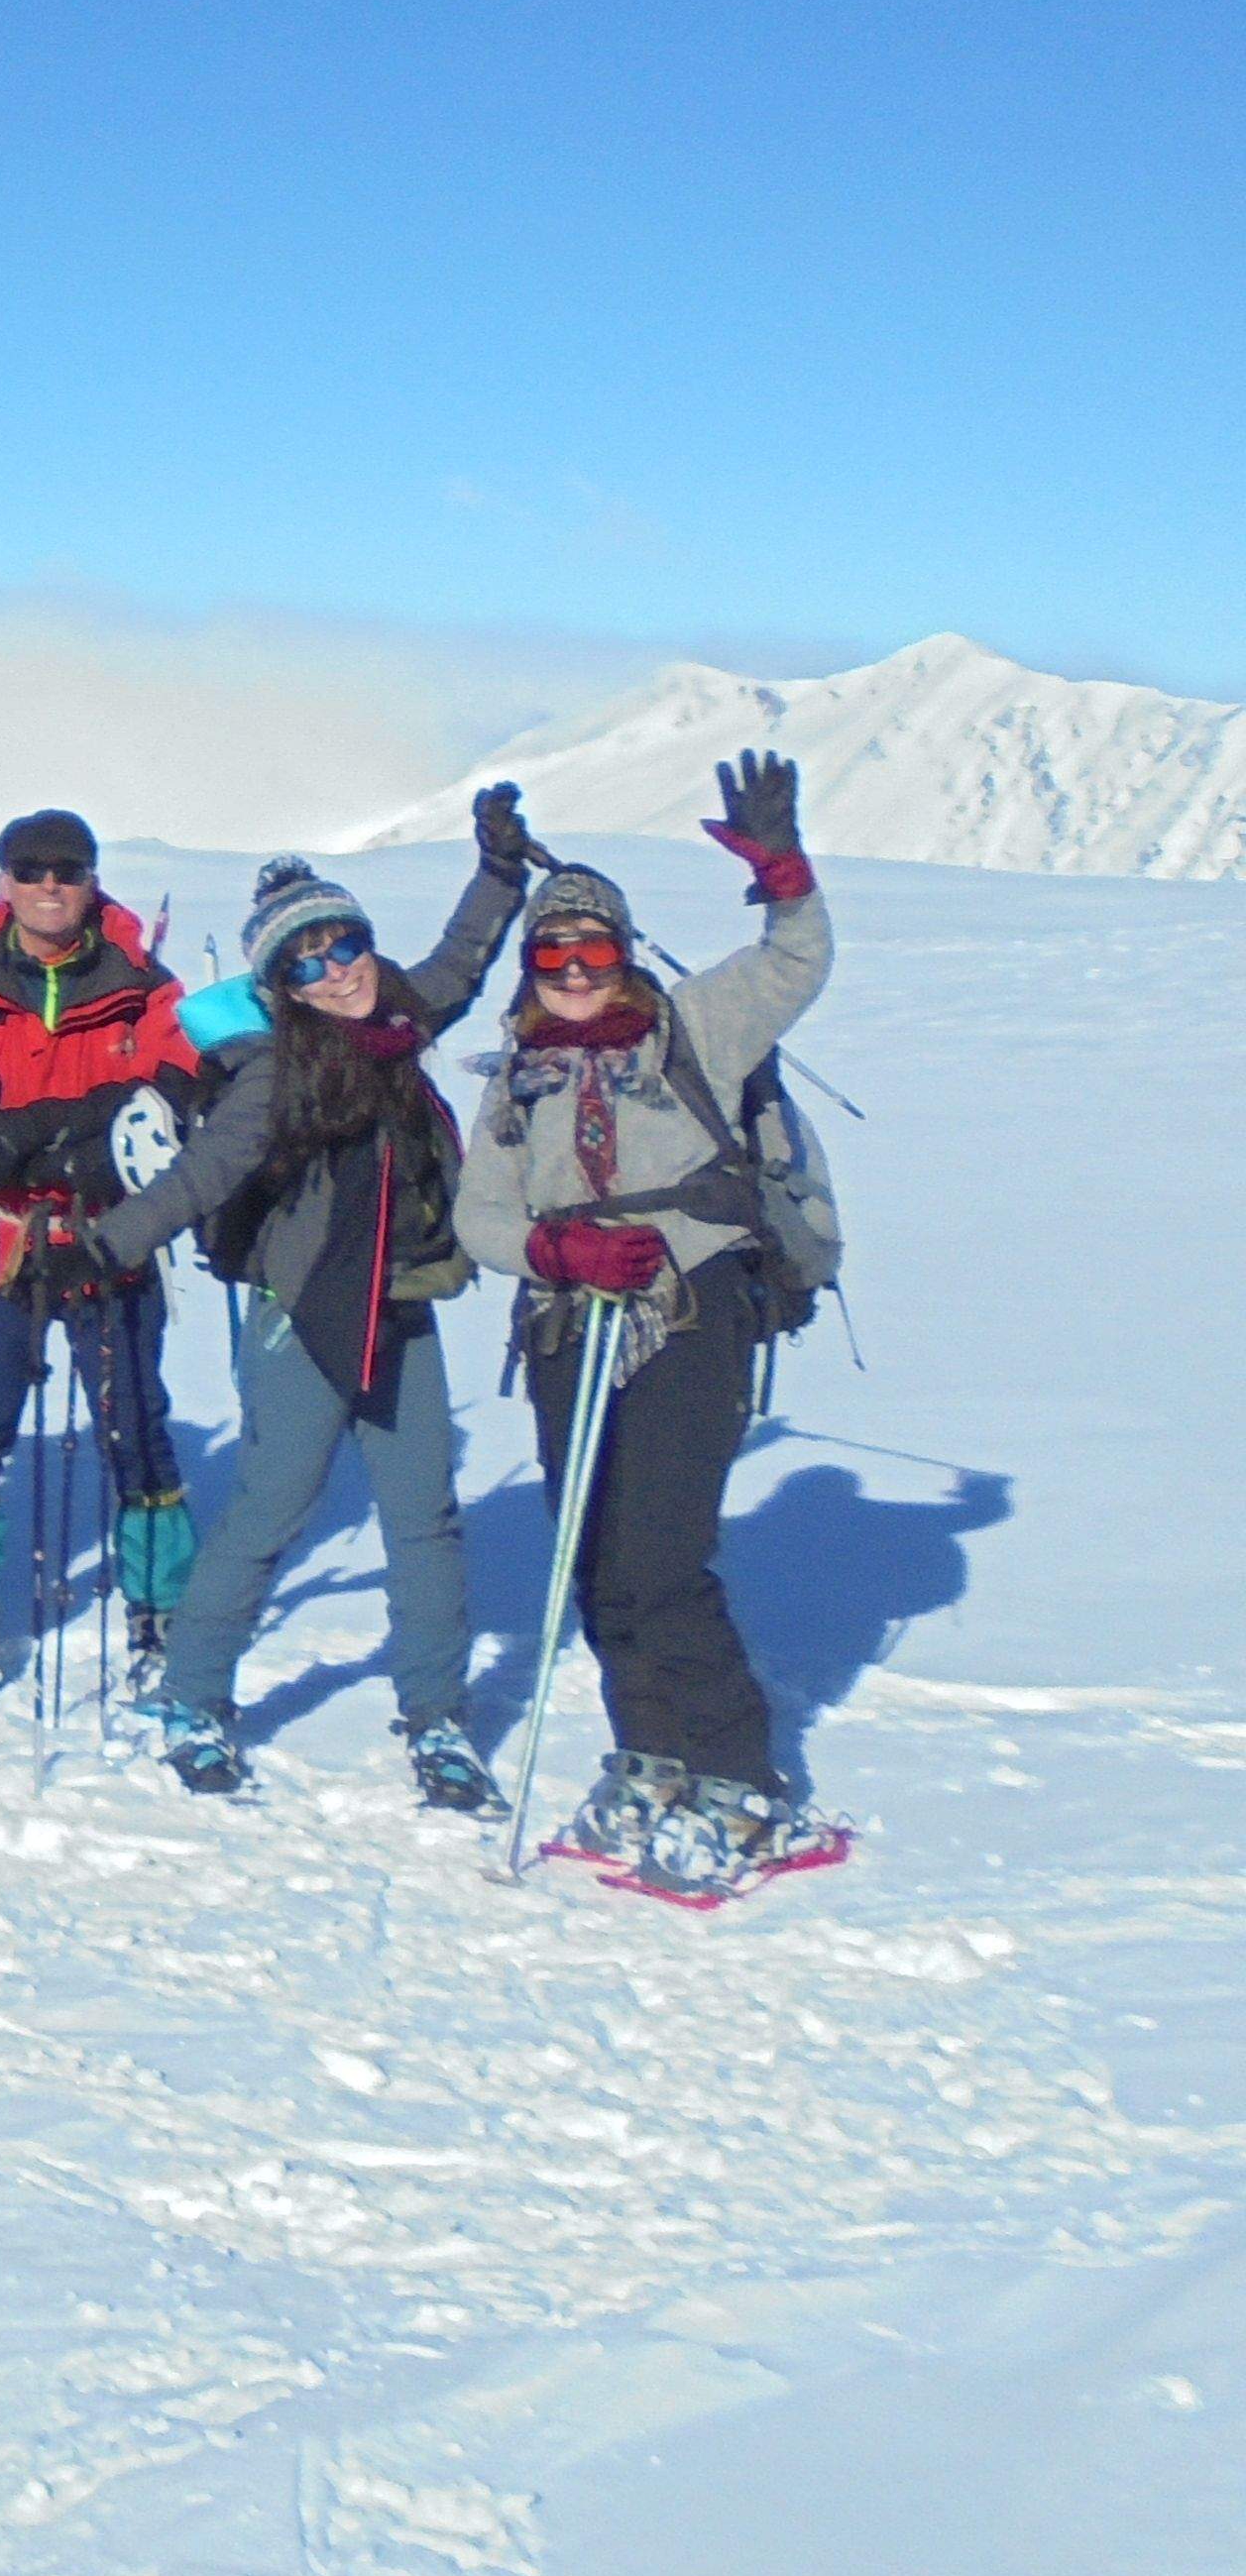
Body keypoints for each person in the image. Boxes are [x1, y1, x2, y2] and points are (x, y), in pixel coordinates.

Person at [85, 812, 532, 1803]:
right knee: (269, 1511)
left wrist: (498, 873)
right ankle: (193, 1696)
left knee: (424, 1519)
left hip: (398, 1305)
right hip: (302, 1320)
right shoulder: (275, 1074)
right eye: (307, 963)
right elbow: (199, 1177)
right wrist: (100, 1247)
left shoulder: (394, 1024)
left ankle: (438, 1718)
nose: (338, 971)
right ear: (278, 987)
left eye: (347, 945)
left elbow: (460, 964)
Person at [457, 753, 842, 1892]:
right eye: (552, 955)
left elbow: (796, 960)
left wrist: (783, 869)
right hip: (566, 1319)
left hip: (690, 1307)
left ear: (623, 952)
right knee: (594, 1555)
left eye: (594, 951)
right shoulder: (516, 1072)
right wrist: (550, 1247)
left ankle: (745, 1786)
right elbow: (483, 1206)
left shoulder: (696, 1028)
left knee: (663, 1557)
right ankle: (651, 1758)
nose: (575, 973)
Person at [0, 814, 206, 1697]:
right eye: (30, 869)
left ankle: (162, 1607)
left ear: (94, 879)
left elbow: (176, 1105)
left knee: (135, 1423)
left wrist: (42, 1144)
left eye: (68, 869)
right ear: (3, 881)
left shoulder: (149, 987)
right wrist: (77, 1135)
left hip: (115, 1240)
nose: (49, 885)